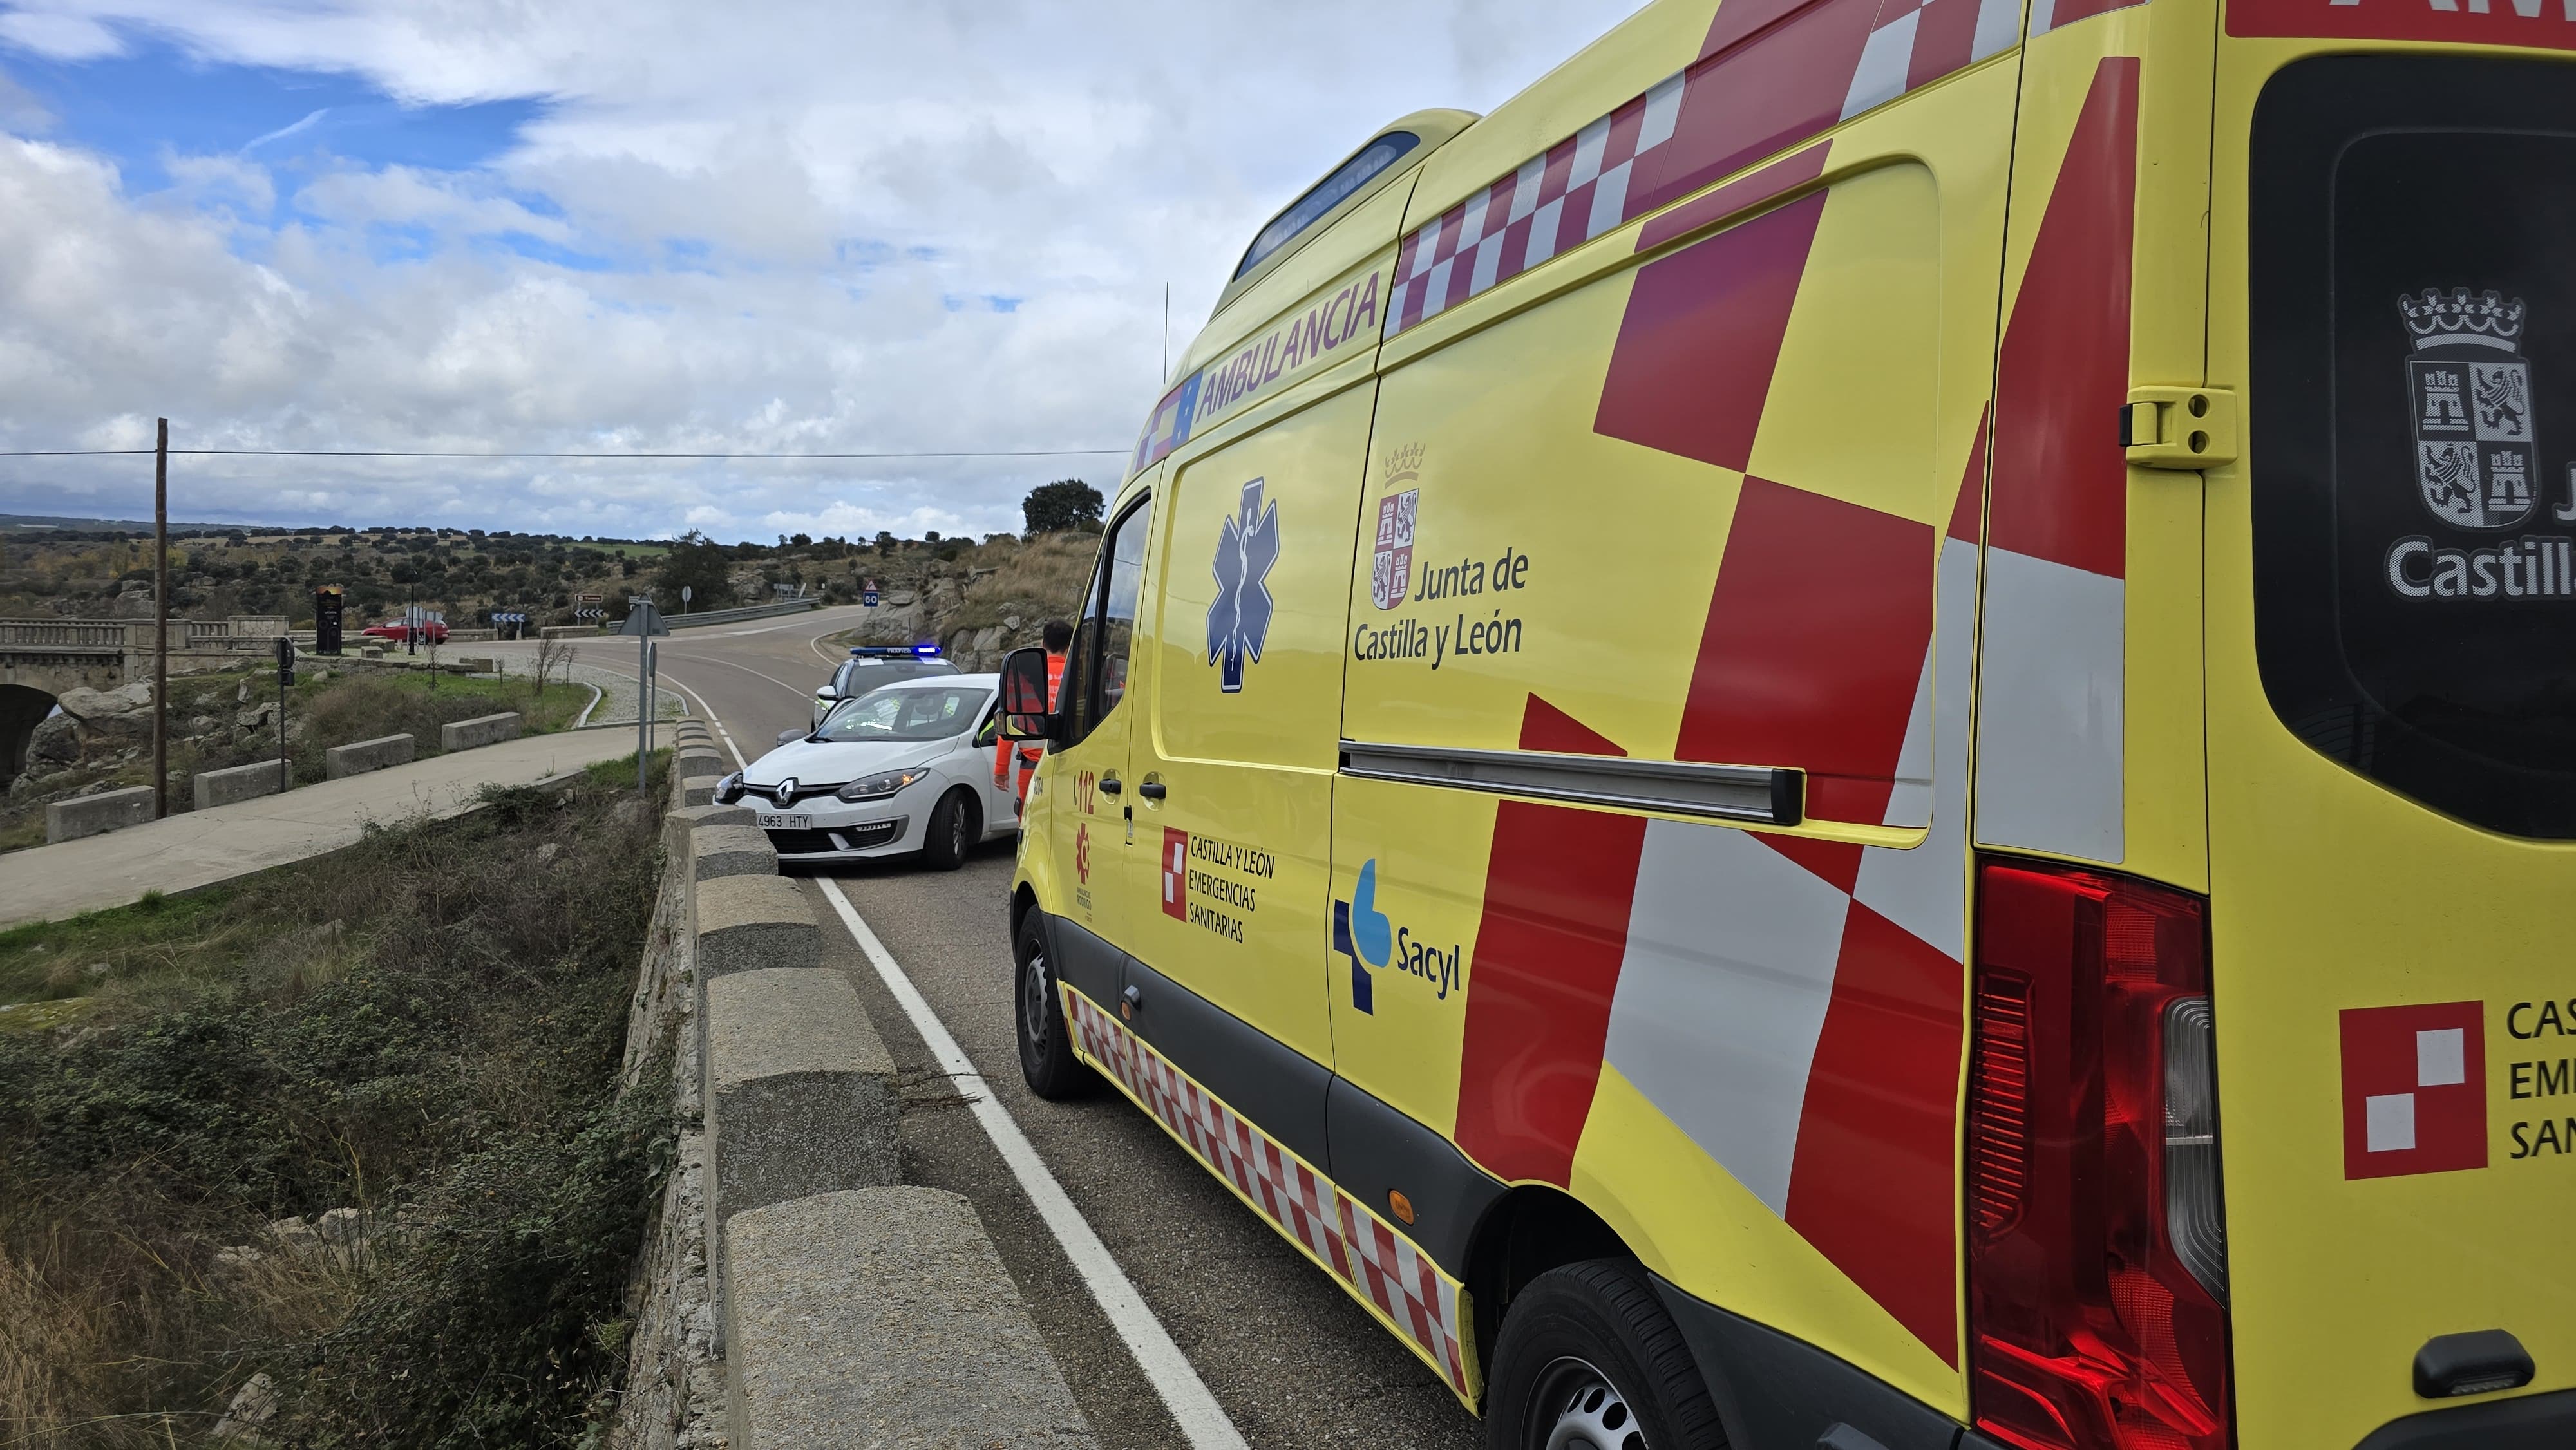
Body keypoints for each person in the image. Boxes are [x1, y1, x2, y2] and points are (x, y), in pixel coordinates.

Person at [994, 619, 1073, 809]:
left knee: (1029, 826)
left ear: (1042, 644)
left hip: (1032, 769)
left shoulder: (1024, 677)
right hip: (1073, 770)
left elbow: (1010, 722)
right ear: (1069, 647)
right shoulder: (1078, 675)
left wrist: (1001, 769)